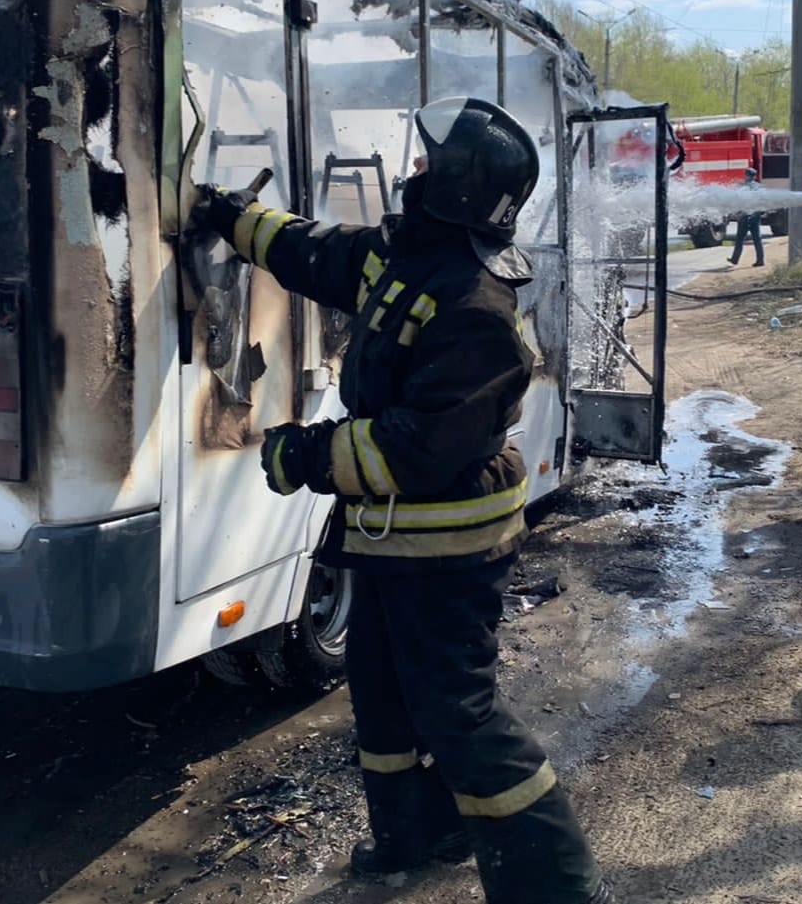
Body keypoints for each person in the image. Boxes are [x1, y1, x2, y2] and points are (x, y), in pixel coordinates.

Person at [187, 96, 612, 904]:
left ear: (454, 184)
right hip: (388, 539)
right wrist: (229, 217)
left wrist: (304, 453)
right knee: (381, 696)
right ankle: (415, 831)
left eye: (427, 160)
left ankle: (553, 880)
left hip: (448, 551)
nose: (412, 167)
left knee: (461, 717)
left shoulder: (475, 306)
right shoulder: (407, 252)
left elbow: (417, 448)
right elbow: (318, 254)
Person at [727, 166, 765, 267]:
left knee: (740, 239)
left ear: (747, 175)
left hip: (745, 215)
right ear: (755, 176)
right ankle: (760, 260)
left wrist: (736, 213)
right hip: (755, 215)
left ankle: (735, 259)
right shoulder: (759, 186)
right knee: (757, 238)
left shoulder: (743, 187)